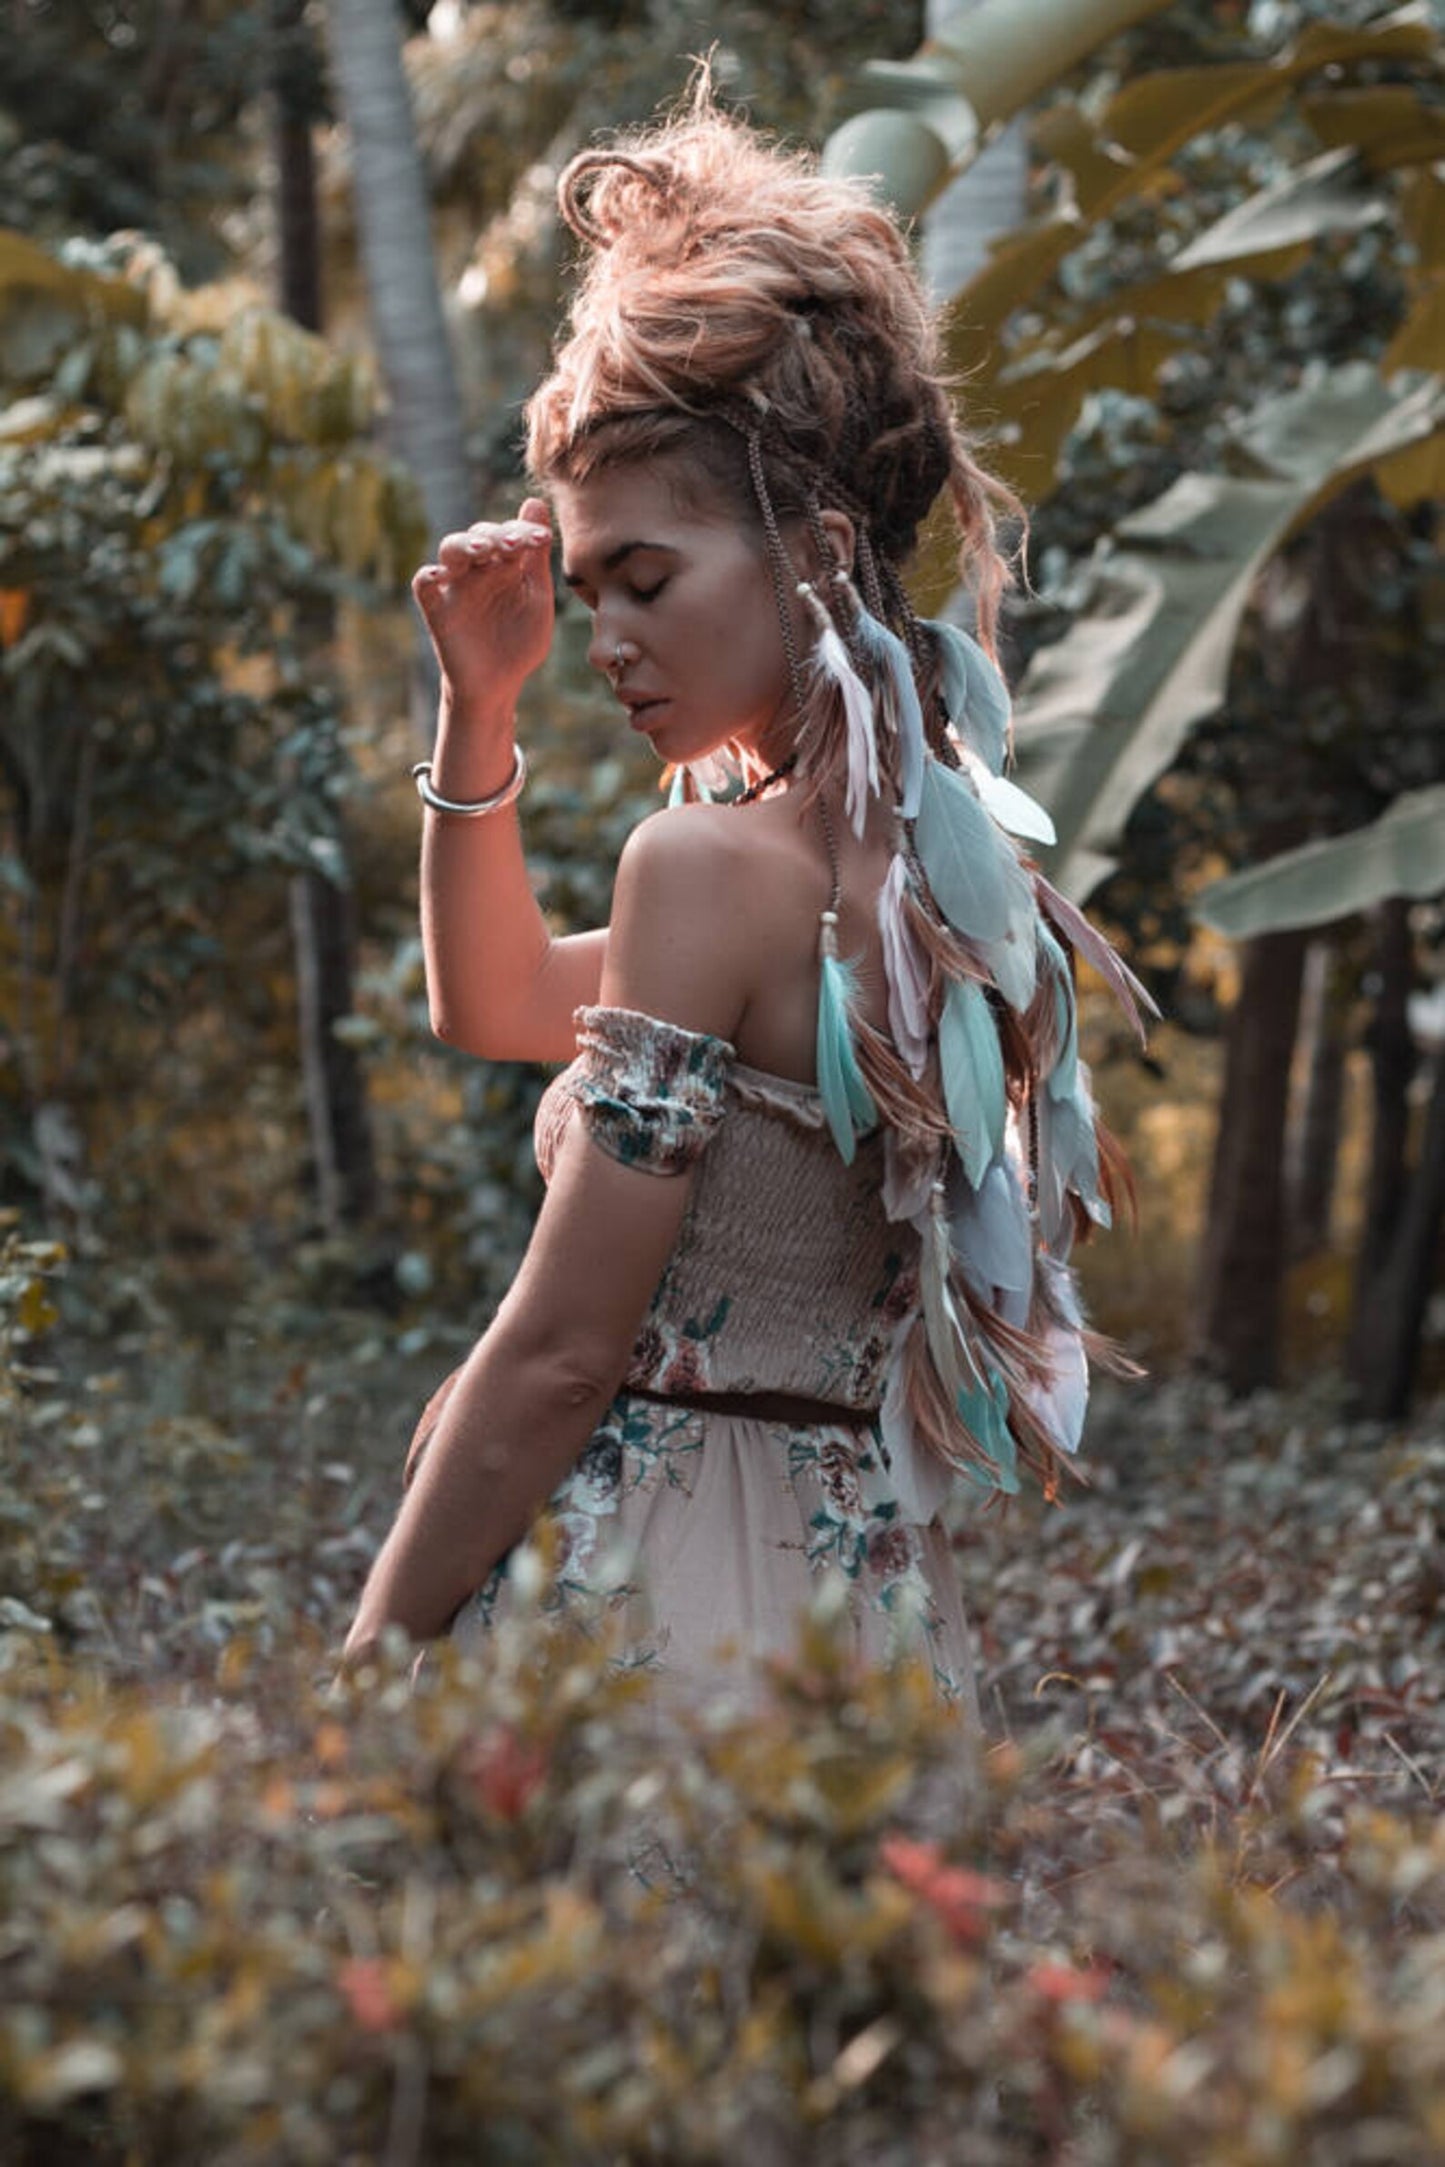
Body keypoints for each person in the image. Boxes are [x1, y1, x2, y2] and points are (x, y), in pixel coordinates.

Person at [343, 91, 1150, 1712]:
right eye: (586, 599)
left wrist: (372, 1649)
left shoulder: (706, 867)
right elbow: (494, 1002)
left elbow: (563, 1355)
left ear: (818, 551)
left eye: (645, 579)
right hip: (861, 1625)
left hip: (657, 1604)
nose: (612, 640)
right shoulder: (946, 874)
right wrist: (478, 710)